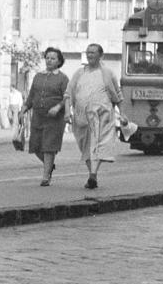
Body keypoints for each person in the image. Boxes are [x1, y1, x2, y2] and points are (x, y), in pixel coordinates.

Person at [67, 42, 124, 190]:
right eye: (88, 52)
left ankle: (93, 175)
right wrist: (68, 112)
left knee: (98, 145)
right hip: (82, 118)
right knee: (86, 147)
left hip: (102, 116)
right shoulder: (79, 73)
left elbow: (117, 95)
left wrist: (122, 115)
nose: (90, 55)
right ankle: (92, 173)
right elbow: (68, 94)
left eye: (93, 52)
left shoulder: (108, 73)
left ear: (101, 55)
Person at [23, 48, 70, 186]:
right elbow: (32, 95)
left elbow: (67, 97)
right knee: (36, 146)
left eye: (53, 58)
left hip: (54, 118)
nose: (49, 60)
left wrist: (58, 107)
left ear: (59, 61)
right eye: (47, 58)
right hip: (38, 116)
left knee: (49, 146)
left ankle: (46, 176)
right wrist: (24, 108)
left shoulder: (62, 78)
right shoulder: (38, 76)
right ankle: (49, 166)